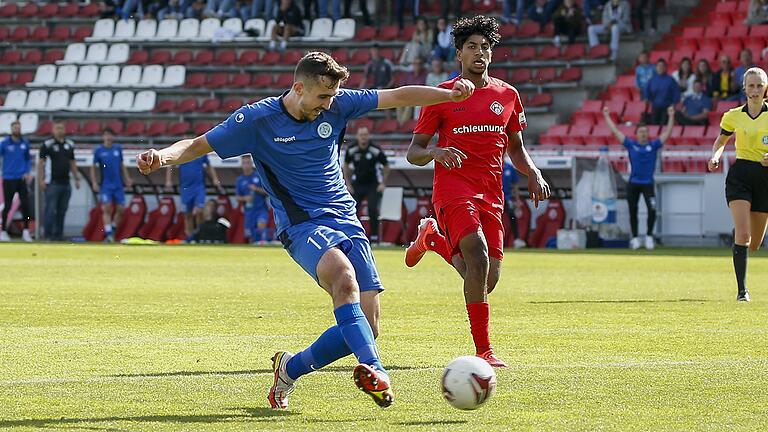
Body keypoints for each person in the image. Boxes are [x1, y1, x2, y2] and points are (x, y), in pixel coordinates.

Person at [136, 51, 475, 409]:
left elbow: (397, 96)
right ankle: (375, 368)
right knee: (343, 279)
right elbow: (197, 144)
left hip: (346, 218)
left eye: (332, 96)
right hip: (301, 224)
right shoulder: (257, 119)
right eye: (322, 97)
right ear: (299, 87)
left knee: (367, 327)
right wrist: (161, 157)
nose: (329, 104)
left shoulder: (337, 104)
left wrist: (447, 95)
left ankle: (290, 368)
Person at [404, 15, 550, 368]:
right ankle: (484, 350)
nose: (479, 52)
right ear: (459, 54)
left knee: (488, 278)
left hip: (491, 191)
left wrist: (532, 172)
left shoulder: (507, 95)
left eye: (485, 47)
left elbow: (515, 147)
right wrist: (436, 152)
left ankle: (433, 240)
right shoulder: (441, 95)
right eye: (471, 47)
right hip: (453, 187)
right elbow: (414, 151)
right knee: (478, 255)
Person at [708, 67, 768, 302]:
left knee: (754, 244)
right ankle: (742, 291)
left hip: (764, 177)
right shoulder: (732, 115)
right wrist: (715, 156)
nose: (755, 90)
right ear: (744, 88)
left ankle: (739, 234)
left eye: (759, 85)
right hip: (741, 174)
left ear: (766, 88)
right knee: (743, 235)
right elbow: (721, 141)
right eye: (751, 85)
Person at [603, 105, 675, 250]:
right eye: (641, 132)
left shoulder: (653, 145)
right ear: (636, 134)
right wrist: (606, 116)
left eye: (645, 132)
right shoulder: (631, 145)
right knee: (633, 211)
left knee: (652, 209)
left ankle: (649, 236)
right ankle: (635, 238)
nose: (643, 134)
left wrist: (671, 115)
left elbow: (667, 133)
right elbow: (615, 131)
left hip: (648, 183)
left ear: (648, 134)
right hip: (633, 183)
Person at [165, 134, 224, 242]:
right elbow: (171, 165)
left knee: (199, 211)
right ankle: (190, 237)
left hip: (198, 187)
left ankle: (199, 233)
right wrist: (168, 180)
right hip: (186, 187)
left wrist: (215, 179)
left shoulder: (200, 152)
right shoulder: (181, 153)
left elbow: (209, 166)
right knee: (188, 215)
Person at [343, 126, 390, 244]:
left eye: (365, 135)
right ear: (357, 137)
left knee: (372, 209)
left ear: (368, 136)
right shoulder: (351, 149)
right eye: (361, 135)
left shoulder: (375, 149)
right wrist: (348, 183)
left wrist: (383, 183)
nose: (363, 138)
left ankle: (374, 237)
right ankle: (354, 235)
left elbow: (386, 166)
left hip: (372, 184)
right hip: (357, 184)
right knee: (352, 209)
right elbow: (346, 166)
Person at [38, 121, 81, 241]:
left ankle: (58, 235)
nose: (59, 130)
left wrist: (77, 178)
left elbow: (72, 163)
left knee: (62, 211)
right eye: (57, 128)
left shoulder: (69, 144)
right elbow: (41, 163)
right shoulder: (47, 144)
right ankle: (47, 235)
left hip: (66, 183)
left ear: (65, 129)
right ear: (53, 130)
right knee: (50, 210)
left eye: (61, 128)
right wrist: (40, 179)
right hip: (52, 183)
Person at [90, 128, 133, 242]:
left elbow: (121, 164)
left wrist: (127, 178)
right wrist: (94, 182)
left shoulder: (117, 149)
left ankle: (112, 229)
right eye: (106, 135)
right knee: (107, 208)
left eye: (110, 135)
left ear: (113, 137)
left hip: (118, 184)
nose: (108, 137)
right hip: (106, 185)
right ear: (103, 137)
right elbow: (93, 167)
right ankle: (109, 233)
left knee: (121, 209)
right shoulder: (99, 150)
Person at [0, 120, 33, 242]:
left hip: (21, 178)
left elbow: (28, 159)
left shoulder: (25, 143)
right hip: (8, 178)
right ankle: (3, 231)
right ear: (11, 129)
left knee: (26, 206)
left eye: (18, 128)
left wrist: (27, 171)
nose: (16, 130)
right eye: (15, 128)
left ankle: (26, 231)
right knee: (7, 205)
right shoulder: (4, 143)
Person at [235, 154, 270, 243]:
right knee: (250, 236)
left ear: (252, 164)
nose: (246, 165)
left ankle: (262, 243)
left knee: (261, 225)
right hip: (249, 211)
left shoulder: (258, 176)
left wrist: (256, 189)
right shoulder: (240, 180)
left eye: (248, 163)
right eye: (244, 163)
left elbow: (268, 192)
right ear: (241, 165)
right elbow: (238, 197)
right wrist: (245, 198)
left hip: (261, 209)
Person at [645, 59, 680, 125]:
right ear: (656, 68)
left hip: (667, 107)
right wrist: (648, 99)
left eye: (662, 66)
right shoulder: (652, 80)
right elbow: (647, 92)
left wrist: (673, 103)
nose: (660, 68)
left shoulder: (671, 80)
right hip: (655, 107)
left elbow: (676, 93)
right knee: (654, 125)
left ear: (665, 68)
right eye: (659, 66)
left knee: (663, 126)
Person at [502, 157, 526, 249]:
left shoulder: (509, 168)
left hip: (506, 198)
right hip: (494, 198)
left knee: (512, 217)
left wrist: (517, 199)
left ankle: (516, 239)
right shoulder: (493, 165)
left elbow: (515, 185)